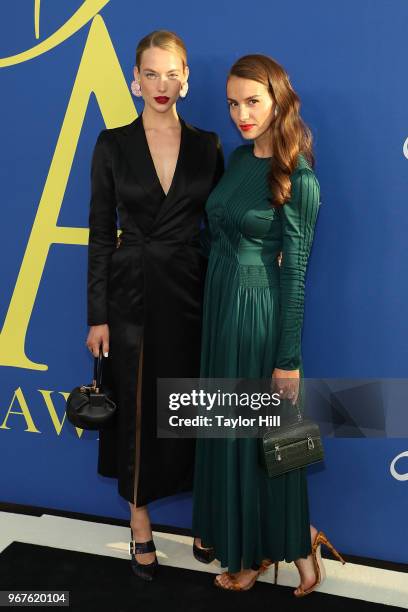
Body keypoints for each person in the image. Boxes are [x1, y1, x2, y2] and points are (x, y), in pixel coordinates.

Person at [192, 54, 345, 594]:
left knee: (272, 437)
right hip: (220, 312)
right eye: (233, 103)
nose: (241, 113)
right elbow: (216, 233)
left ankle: (273, 551)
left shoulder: (300, 178)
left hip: (258, 318)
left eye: (252, 101)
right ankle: (286, 543)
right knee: (235, 438)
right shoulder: (235, 159)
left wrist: (288, 360)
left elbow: (296, 275)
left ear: (279, 100)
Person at [85, 30, 223, 581]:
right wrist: (97, 314)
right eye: (151, 73)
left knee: (196, 404)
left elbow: (220, 227)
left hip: (192, 290)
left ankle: (205, 518)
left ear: (186, 79)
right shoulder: (111, 144)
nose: (161, 84)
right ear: (133, 79)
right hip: (131, 293)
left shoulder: (209, 145)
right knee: (139, 407)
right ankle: (139, 523)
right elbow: (99, 234)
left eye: (172, 73)